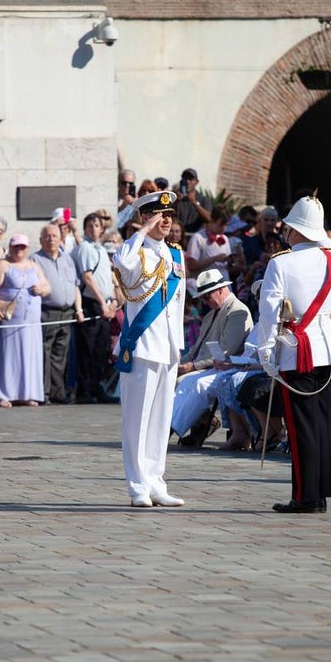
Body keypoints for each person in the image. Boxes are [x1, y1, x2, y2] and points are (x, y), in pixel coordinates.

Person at [256, 194, 331, 513]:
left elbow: (269, 313)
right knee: (323, 425)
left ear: (295, 230)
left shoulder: (280, 262)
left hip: (298, 352)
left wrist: (266, 353)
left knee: (301, 428)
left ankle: (305, 497)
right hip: (328, 349)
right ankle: (319, 493)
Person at [113, 189, 187, 508]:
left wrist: (179, 344)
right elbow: (121, 261)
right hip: (143, 345)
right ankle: (137, 485)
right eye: (159, 215)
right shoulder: (136, 253)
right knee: (137, 420)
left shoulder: (176, 255)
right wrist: (141, 231)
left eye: (169, 216)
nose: (166, 221)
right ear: (146, 217)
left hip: (168, 346)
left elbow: (179, 303)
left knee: (160, 420)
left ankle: (156, 481)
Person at [171, 268, 253, 445]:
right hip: (213, 366)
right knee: (179, 379)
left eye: (207, 297)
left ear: (221, 290)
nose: (204, 301)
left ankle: (173, 427)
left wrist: (192, 366)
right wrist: (180, 363)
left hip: (230, 367)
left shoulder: (238, 311)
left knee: (192, 382)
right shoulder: (210, 315)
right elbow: (198, 347)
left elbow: (226, 351)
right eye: (202, 298)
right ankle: (192, 424)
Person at [0, 234, 46, 406]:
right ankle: (3, 394)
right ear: (10, 247)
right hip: (9, 320)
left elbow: (47, 286)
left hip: (31, 323)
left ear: (27, 249)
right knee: (7, 356)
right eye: (16, 246)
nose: (19, 250)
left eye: (23, 247)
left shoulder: (34, 266)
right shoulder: (3, 265)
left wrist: (41, 289)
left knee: (29, 356)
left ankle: (28, 393)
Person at [31, 223, 82, 404]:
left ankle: (57, 392)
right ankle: (43, 393)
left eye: (54, 235)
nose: (51, 239)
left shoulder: (67, 259)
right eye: (47, 236)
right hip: (47, 312)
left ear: (60, 238)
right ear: (40, 240)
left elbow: (75, 285)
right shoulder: (35, 260)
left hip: (67, 312)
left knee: (61, 354)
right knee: (45, 352)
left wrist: (79, 309)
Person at [73, 211, 118, 404]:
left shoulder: (100, 248)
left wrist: (114, 302)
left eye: (96, 225)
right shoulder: (85, 248)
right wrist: (101, 303)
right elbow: (88, 278)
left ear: (102, 229)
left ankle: (98, 386)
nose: (93, 228)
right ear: (84, 229)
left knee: (101, 350)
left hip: (106, 303)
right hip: (93, 303)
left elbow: (109, 278)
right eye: (89, 225)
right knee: (88, 350)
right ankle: (86, 390)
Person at [175, 168, 212, 234]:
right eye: (185, 178)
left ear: (196, 182)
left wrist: (195, 203)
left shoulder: (204, 200)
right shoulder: (175, 197)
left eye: (190, 179)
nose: (187, 181)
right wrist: (175, 202)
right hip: (176, 237)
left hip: (194, 238)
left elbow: (209, 219)